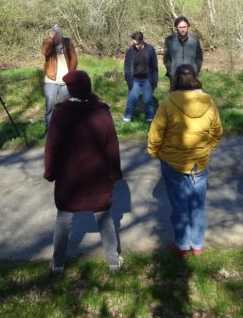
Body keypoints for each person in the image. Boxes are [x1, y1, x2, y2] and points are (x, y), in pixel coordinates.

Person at [44, 70, 123, 274]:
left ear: (69, 90)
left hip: (69, 179)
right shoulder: (101, 112)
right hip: (98, 177)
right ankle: (113, 261)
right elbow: (112, 146)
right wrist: (114, 173)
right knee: (104, 215)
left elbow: (52, 146)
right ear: (88, 87)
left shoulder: (61, 112)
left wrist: (50, 172)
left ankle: (58, 264)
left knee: (63, 217)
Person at [148, 64, 222, 257]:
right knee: (197, 204)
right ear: (195, 78)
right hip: (200, 162)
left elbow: (156, 133)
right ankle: (197, 245)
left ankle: (182, 245)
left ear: (175, 80)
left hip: (173, 162)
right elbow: (217, 131)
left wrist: (154, 152)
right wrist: (207, 148)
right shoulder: (208, 102)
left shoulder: (168, 103)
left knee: (180, 205)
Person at [41, 25, 78, 131]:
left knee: (66, 107)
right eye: (54, 34)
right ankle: (49, 131)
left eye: (57, 34)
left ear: (60, 34)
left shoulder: (67, 42)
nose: (55, 36)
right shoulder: (48, 42)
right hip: (50, 80)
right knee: (50, 106)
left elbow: (74, 59)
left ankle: (65, 130)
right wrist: (50, 38)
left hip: (65, 81)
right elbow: (44, 52)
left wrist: (70, 75)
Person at [122, 31, 159, 123]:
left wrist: (154, 81)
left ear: (142, 40)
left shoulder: (150, 49)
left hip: (147, 79)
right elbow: (127, 67)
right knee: (131, 100)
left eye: (138, 44)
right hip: (135, 80)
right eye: (134, 44)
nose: (136, 46)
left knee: (148, 101)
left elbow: (154, 66)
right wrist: (128, 80)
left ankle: (150, 120)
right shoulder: (130, 51)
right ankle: (126, 119)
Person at [162, 17, 203, 89]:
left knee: (192, 95)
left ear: (188, 26)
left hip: (191, 76)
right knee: (176, 96)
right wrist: (171, 71)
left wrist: (196, 70)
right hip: (175, 77)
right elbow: (166, 58)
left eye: (185, 27)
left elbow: (199, 56)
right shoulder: (169, 40)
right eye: (180, 27)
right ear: (176, 27)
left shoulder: (195, 39)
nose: (183, 29)